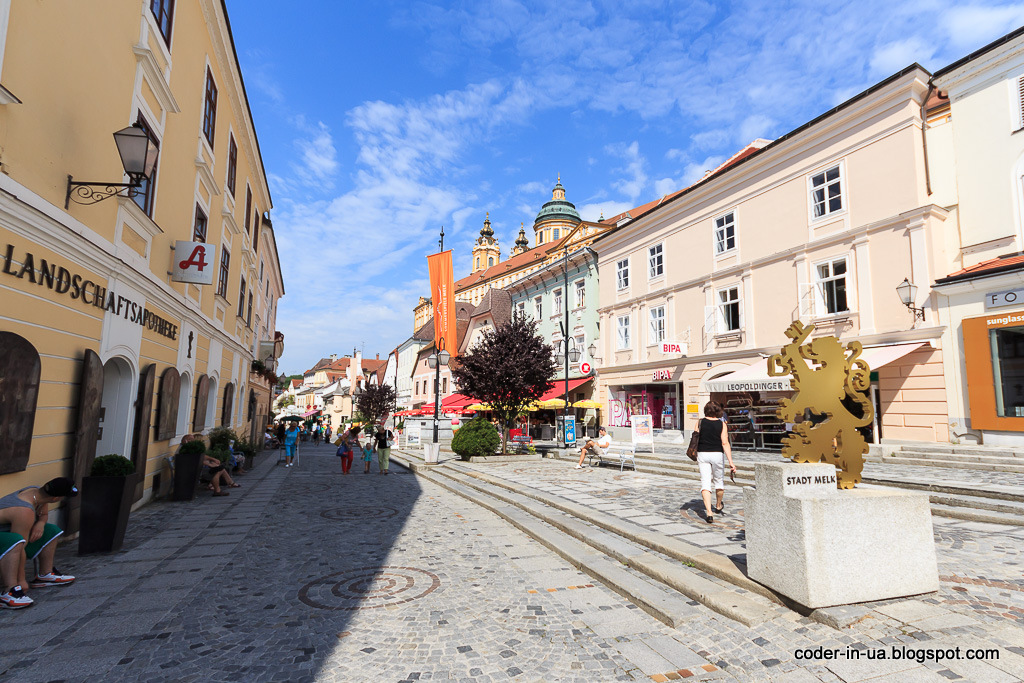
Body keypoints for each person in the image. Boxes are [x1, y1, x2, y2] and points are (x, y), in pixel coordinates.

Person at [0, 477, 79, 609]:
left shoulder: (38, 492)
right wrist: (22, 580)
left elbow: (43, 514)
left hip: (8, 531)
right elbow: (21, 548)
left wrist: (41, 524)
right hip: (8, 535)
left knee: (51, 530)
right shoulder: (25, 511)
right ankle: (10, 591)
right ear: (56, 498)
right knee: (16, 542)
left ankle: (44, 575)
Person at [695, 401, 737, 523]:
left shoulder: (700, 422)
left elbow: (694, 438)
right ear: (718, 411)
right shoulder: (722, 424)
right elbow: (725, 443)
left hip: (702, 454)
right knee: (719, 481)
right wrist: (731, 462)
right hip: (717, 455)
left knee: (705, 483)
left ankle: (709, 513)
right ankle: (718, 505)